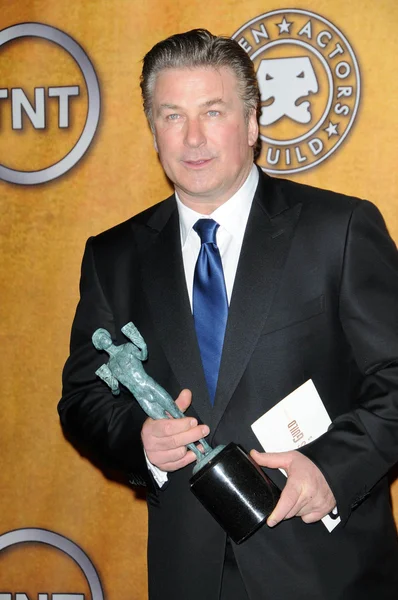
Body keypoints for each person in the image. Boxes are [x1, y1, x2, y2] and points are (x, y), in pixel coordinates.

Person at [58, 29, 398, 600]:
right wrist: (140, 438)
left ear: (252, 122)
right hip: (186, 573)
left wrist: (331, 472)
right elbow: (82, 400)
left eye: (212, 111)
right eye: (172, 115)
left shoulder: (336, 230)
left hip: (325, 570)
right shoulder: (114, 255)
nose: (192, 137)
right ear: (153, 129)